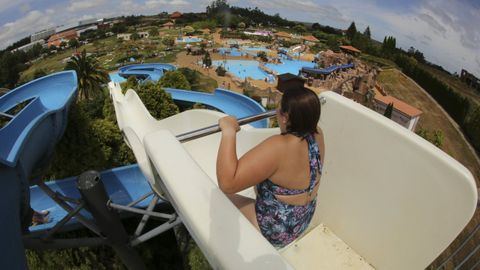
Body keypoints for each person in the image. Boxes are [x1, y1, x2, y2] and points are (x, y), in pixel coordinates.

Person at [216, 87, 325, 248]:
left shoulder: (279, 147)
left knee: (218, 196)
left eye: (278, 110)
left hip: (278, 231)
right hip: (302, 219)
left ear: (285, 117)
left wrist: (228, 131)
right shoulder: (318, 134)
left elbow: (227, 183)